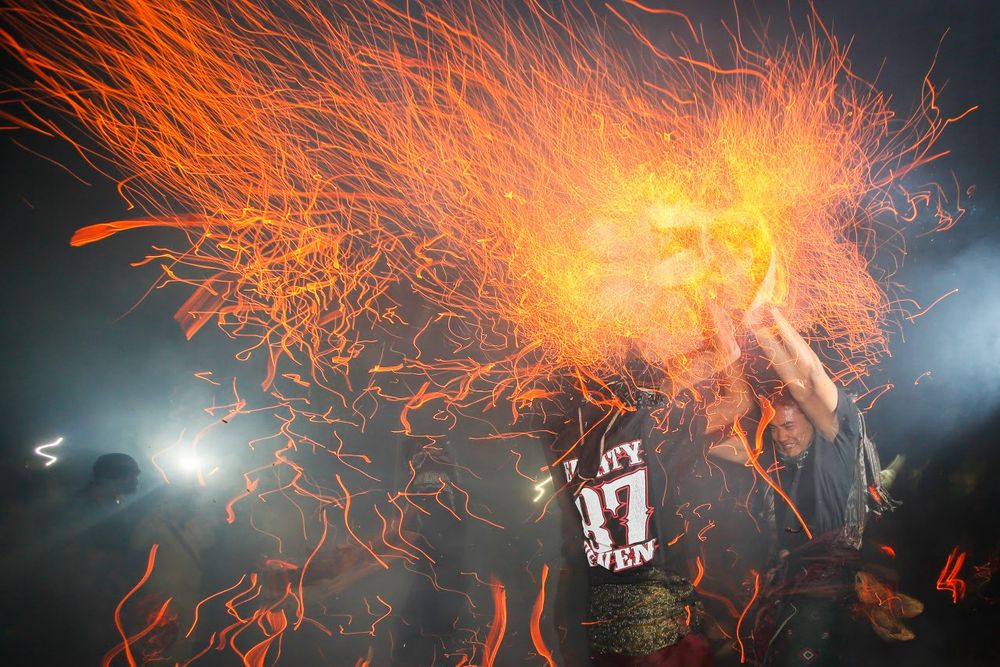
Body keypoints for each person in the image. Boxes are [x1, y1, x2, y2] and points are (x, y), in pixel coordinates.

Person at [545, 311, 748, 667]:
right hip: (662, 639)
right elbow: (736, 398)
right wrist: (715, 311)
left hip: (604, 635)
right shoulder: (651, 427)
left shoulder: (561, 438)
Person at [708, 307, 895, 667]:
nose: (782, 437)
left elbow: (808, 381)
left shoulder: (838, 440)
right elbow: (705, 441)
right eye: (775, 429)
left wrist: (767, 321)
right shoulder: (774, 456)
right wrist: (724, 349)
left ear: (812, 419)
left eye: (790, 426)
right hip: (786, 595)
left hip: (829, 597)